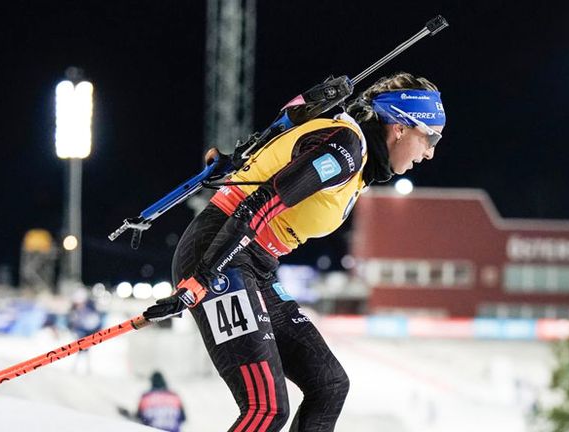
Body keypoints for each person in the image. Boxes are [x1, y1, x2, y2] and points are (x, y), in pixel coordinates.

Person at [143, 71, 445, 431]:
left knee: (329, 385)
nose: (429, 153)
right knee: (266, 408)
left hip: (252, 261)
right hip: (220, 249)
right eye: (430, 138)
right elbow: (259, 205)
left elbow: (285, 124)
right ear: (399, 127)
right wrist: (203, 276)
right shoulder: (346, 148)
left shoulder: (355, 157)